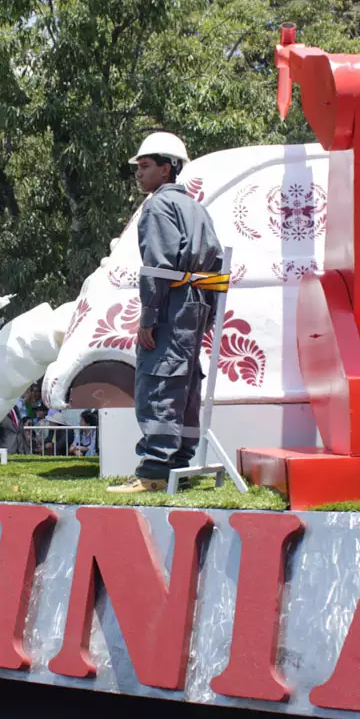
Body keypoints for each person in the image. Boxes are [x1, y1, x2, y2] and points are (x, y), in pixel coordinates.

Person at [108, 132, 222, 494]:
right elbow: (218, 263)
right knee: (185, 383)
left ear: (167, 168)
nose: (138, 174)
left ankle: (155, 470)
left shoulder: (158, 206)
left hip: (172, 302)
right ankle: (179, 464)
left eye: (145, 166)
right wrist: (210, 316)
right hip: (197, 302)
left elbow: (157, 267)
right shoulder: (197, 208)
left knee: (158, 381)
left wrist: (147, 320)